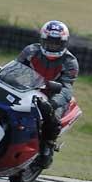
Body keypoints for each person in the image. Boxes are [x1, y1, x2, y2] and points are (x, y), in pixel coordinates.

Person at [16, 20, 79, 169]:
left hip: (52, 97)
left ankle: (47, 149)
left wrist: (54, 102)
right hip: (28, 90)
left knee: (52, 117)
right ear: (42, 40)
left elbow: (66, 88)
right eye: (49, 42)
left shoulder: (70, 62)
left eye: (56, 43)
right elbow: (16, 69)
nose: (52, 46)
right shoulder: (30, 51)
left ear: (64, 43)